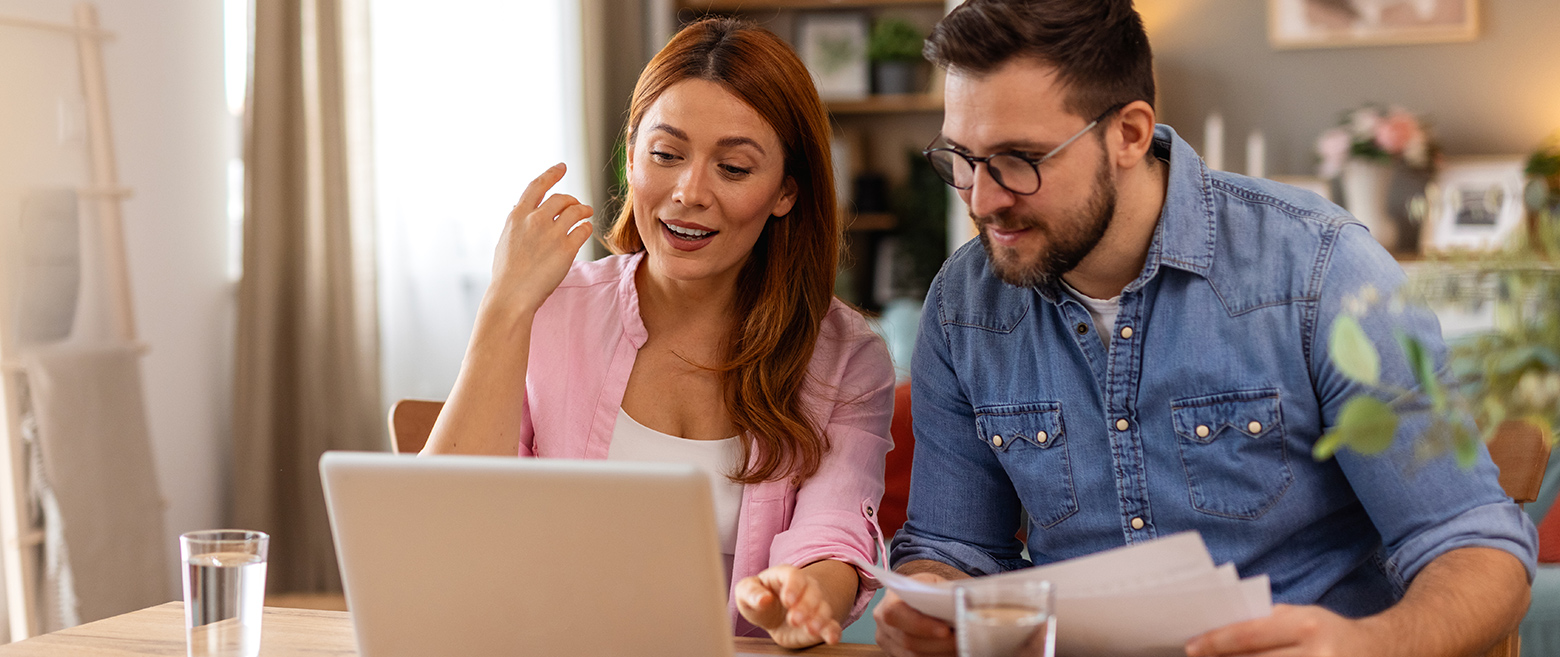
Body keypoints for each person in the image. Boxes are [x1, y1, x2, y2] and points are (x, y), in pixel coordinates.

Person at [874, 1, 1539, 656]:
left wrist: (1368, 644)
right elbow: (954, 547)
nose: (983, 200)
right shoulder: (964, 306)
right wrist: (929, 597)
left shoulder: (1319, 270)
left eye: (1019, 159)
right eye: (961, 158)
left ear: (1129, 134)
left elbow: (1471, 542)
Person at [420, 18, 895, 649]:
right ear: (632, 154)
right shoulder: (555, 309)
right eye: (665, 155)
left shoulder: (844, 358)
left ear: (785, 192)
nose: (688, 192)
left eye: (732, 167)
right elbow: (445, 524)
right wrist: (504, 305)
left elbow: (833, 531)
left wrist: (805, 598)